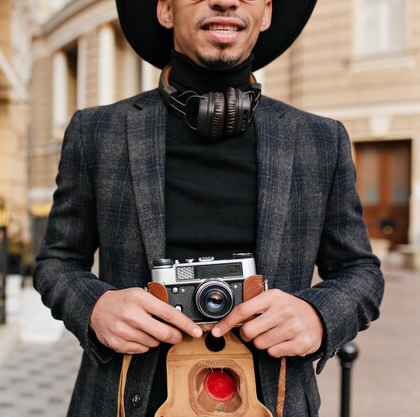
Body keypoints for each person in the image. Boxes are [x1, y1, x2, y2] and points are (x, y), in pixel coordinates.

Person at [33, 0, 384, 416]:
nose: (226, 0)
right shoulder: (96, 132)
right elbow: (56, 260)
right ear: (164, 10)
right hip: (124, 402)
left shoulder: (321, 139)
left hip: (274, 402)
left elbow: (361, 272)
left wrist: (317, 316)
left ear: (267, 13)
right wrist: (94, 307)